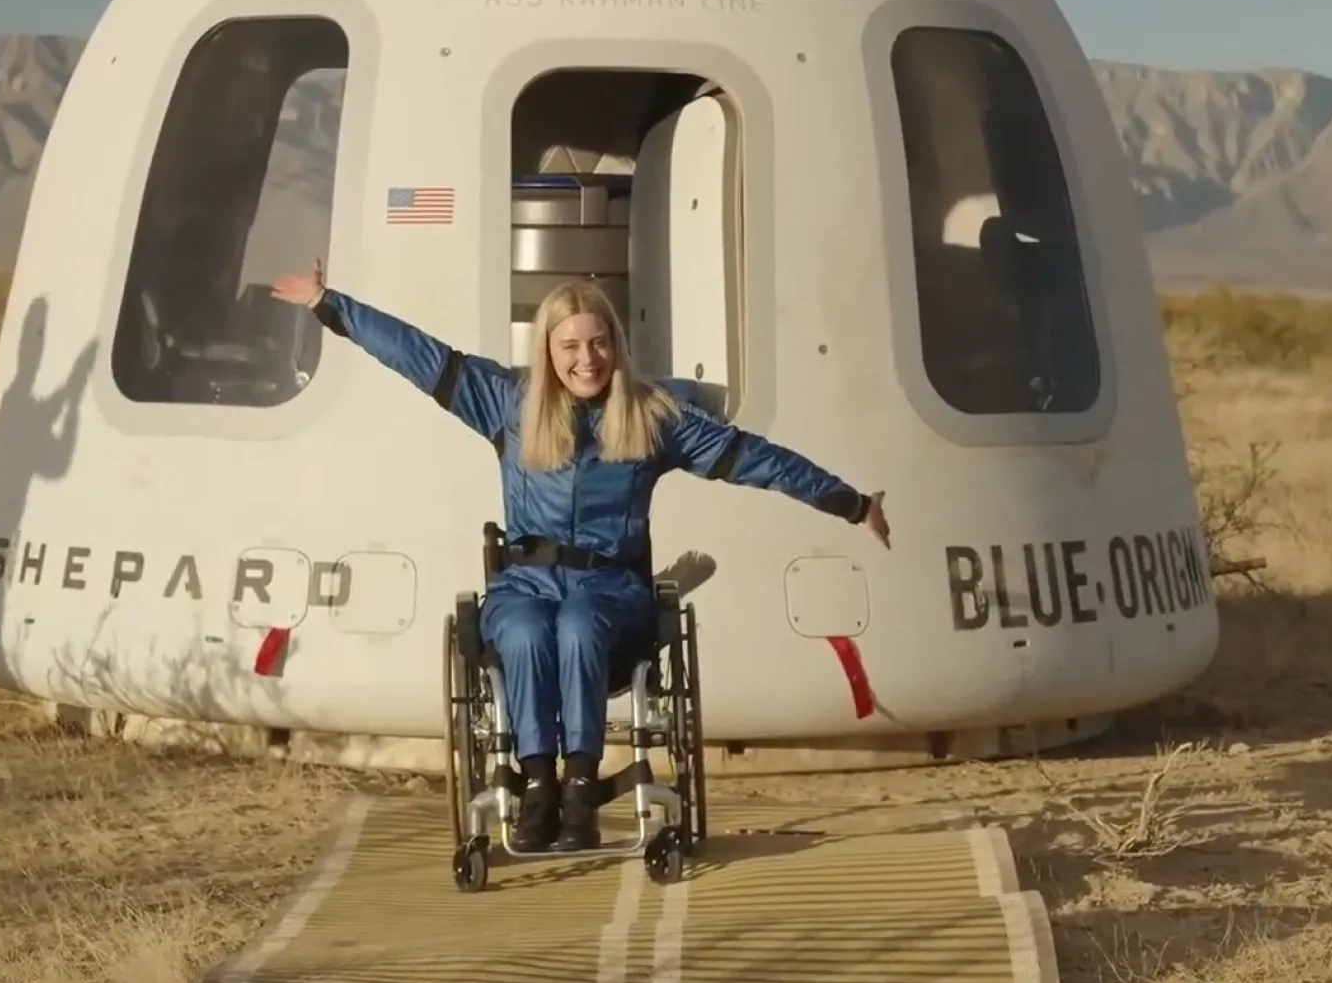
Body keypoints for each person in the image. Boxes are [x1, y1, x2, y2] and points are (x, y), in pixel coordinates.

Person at [267, 260, 890, 853]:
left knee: (575, 625)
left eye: (598, 344)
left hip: (610, 592)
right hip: (525, 584)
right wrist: (330, 304)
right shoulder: (507, 404)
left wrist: (852, 503)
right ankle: (538, 784)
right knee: (522, 628)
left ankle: (581, 785)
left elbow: (756, 458)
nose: (586, 359)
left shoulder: (654, 417)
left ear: (615, 346)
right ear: (548, 351)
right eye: (570, 347)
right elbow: (418, 354)